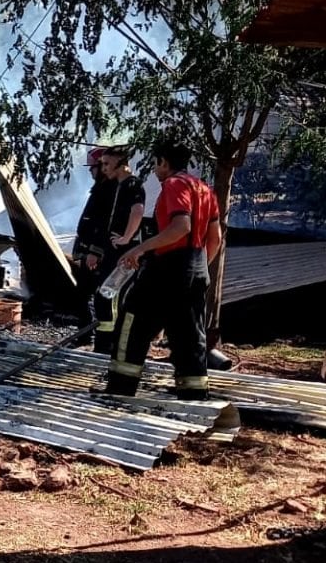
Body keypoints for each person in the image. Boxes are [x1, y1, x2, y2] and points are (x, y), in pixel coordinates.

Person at [108, 142, 224, 400]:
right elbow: (215, 238)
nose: (155, 169)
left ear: (164, 162)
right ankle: (193, 394)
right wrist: (199, 267)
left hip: (168, 269)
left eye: (156, 163)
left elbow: (180, 226)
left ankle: (120, 389)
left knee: (133, 321)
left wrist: (138, 250)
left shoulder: (174, 185)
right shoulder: (205, 189)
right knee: (189, 334)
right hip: (197, 268)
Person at [90, 147, 147, 355]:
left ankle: (109, 345)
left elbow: (137, 211)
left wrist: (126, 238)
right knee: (104, 295)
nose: (104, 168)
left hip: (123, 254)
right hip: (112, 251)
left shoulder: (133, 184)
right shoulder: (117, 186)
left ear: (121, 163)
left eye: (107, 164)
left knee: (109, 295)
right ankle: (104, 344)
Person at [71, 147, 114, 327]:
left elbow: (103, 224)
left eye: (93, 167)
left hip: (95, 255)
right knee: (82, 294)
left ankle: (91, 335)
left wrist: (94, 251)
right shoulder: (100, 189)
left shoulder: (108, 190)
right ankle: (87, 333)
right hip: (88, 252)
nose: (90, 170)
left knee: (90, 295)